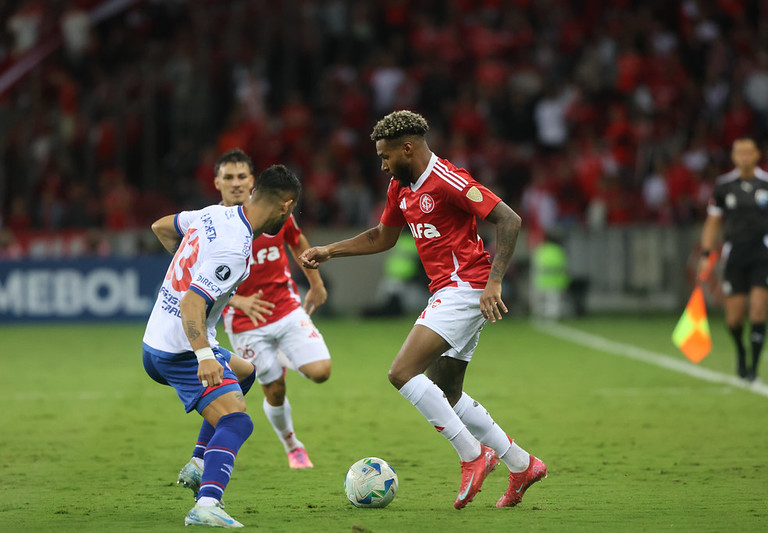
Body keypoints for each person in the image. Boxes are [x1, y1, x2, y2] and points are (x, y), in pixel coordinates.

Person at [300, 110, 547, 509]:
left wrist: (495, 280)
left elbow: (509, 219)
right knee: (447, 392)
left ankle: (472, 455)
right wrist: (330, 250)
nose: (382, 165)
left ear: (408, 148)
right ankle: (522, 464)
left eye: (385, 156)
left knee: (402, 373)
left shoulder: (448, 179)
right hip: (448, 292)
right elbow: (383, 236)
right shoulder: (401, 188)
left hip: (466, 288)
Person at [142, 164, 301, 528]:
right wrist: (203, 355)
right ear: (285, 206)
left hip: (157, 337)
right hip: (180, 349)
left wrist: (190, 269)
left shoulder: (214, 214)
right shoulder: (235, 247)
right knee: (237, 422)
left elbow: (162, 226)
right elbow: (191, 304)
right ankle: (207, 503)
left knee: (246, 373)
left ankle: (199, 463)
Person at [215, 148, 331, 469]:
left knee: (321, 372)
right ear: (217, 182)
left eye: (242, 176)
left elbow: (297, 241)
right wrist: (237, 300)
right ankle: (292, 444)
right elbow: (197, 282)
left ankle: (283, 354)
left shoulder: (275, 214)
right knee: (275, 390)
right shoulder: (213, 225)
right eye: (229, 177)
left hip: (285, 305)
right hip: (244, 321)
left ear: (253, 182)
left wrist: (317, 283)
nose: (236, 183)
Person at [698, 138, 768, 383]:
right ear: (733, 157)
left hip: (762, 253)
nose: (743, 157)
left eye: (748, 152)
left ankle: (754, 367)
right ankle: (741, 353)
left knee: (758, 309)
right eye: (738, 152)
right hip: (735, 254)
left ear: (756, 155)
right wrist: (706, 253)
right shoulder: (724, 186)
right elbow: (713, 222)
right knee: (733, 318)